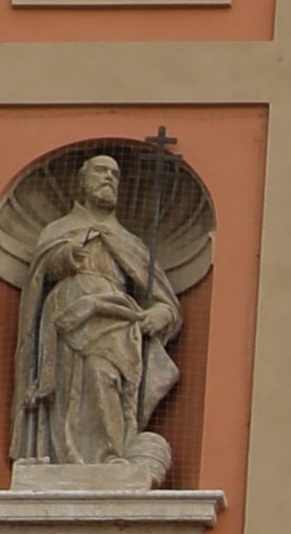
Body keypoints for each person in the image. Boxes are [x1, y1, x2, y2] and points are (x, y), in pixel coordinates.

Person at [12, 156, 178, 479]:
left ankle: (110, 453)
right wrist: (65, 257)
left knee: (105, 376)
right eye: (101, 172)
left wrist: (162, 312)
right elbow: (41, 274)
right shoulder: (59, 230)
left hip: (114, 315)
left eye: (115, 174)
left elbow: (163, 296)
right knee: (68, 382)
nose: (110, 178)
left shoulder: (129, 242)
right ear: (82, 181)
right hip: (66, 314)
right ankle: (67, 457)